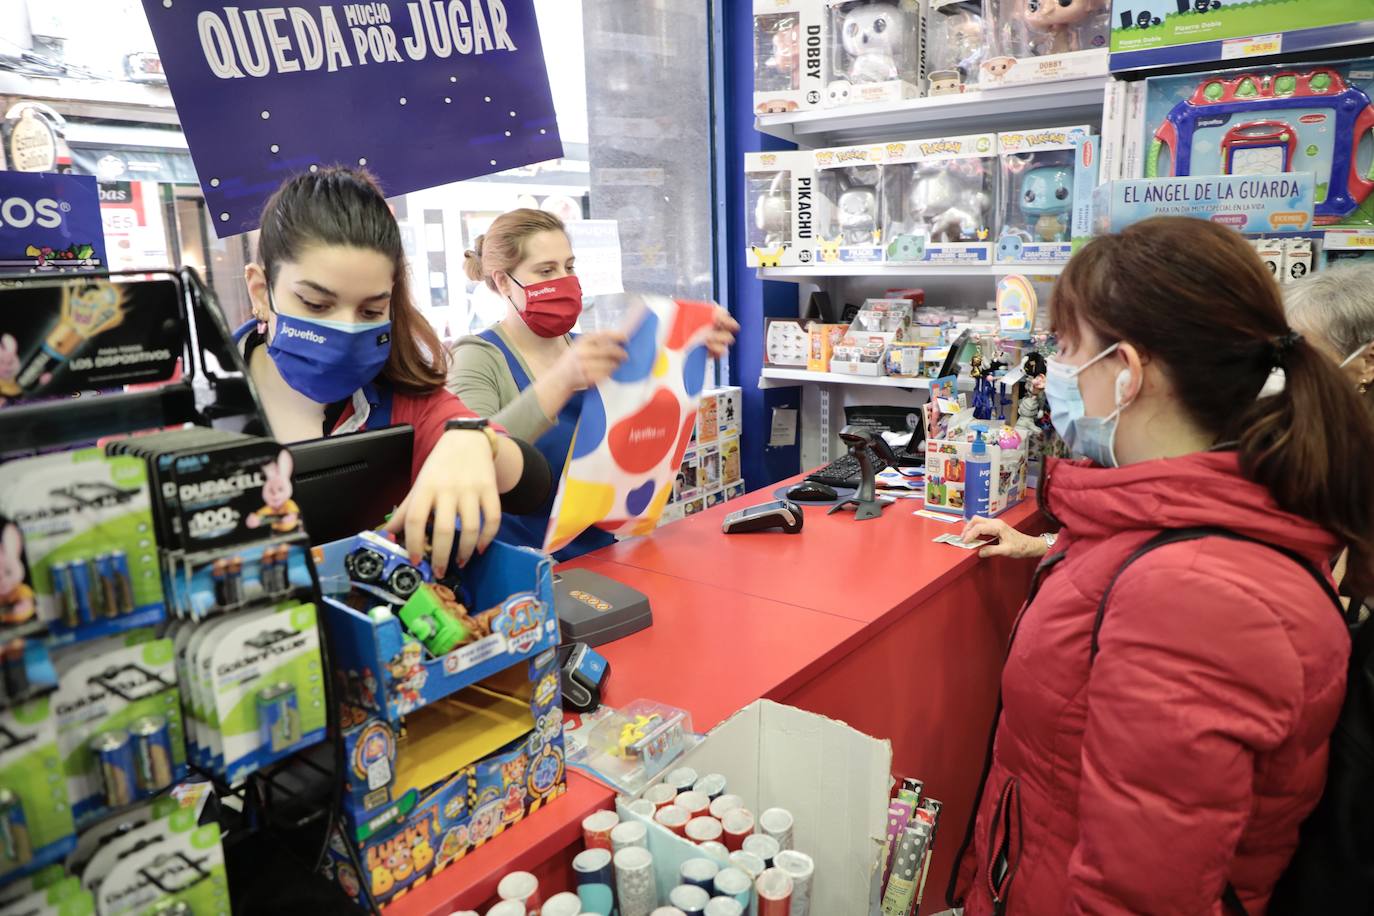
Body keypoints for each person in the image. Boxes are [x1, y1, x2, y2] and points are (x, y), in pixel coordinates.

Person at [949, 217, 1374, 915]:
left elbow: (1143, 891)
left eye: (1065, 347)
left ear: (1127, 370)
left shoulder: (1196, 594)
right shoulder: (1166, 524)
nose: (1055, 373)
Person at [236, 168, 549, 579]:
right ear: (261, 291)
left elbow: (531, 483)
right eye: (315, 304)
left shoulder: (406, 405)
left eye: (371, 311)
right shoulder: (186, 411)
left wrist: (479, 442)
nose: (345, 330)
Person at [449, 208, 737, 559]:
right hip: (516, 565)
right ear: (504, 282)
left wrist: (688, 351)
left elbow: (635, 437)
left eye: (569, 267)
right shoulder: (478, 355)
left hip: (598, 555)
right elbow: (467, 459)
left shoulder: (588, 347)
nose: (564, 280)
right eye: (546, 271)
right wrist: (562, 380)